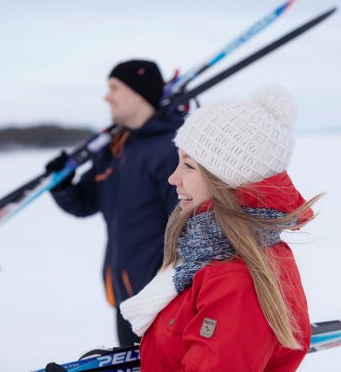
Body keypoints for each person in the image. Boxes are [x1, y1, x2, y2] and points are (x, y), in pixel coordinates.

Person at [120, 85, 321, 371]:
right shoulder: (208, 252)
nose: (173, 178)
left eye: (188, 166)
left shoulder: (235, 278)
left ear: (226, 180)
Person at [46, 60, 184, 346]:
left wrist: (171, 289)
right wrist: (62, 185)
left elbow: (187, 225)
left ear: (138, 93)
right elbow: (85, 203)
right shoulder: (115, 148)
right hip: (125, 293)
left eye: (114, 88)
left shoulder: (171, 147)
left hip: (161, 300)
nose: (106, 97)